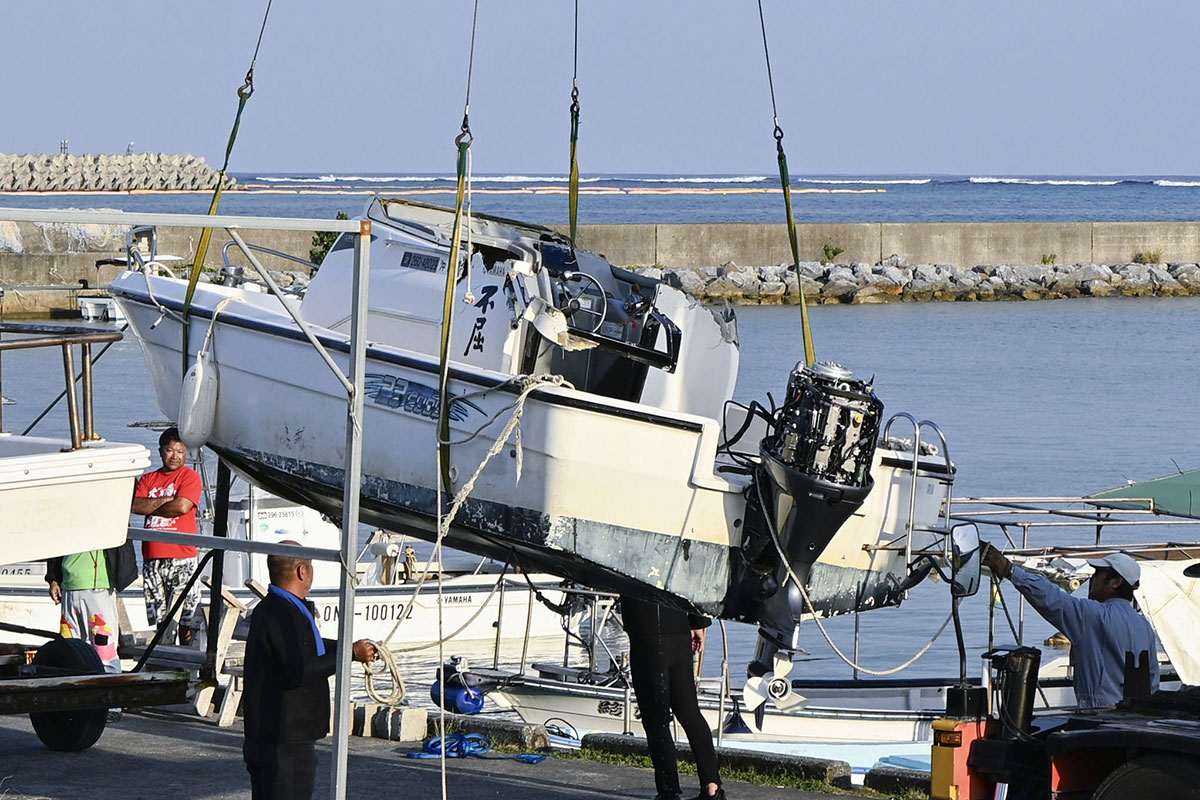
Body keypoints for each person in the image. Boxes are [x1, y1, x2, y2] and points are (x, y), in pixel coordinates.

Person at [243, 542, 378, 800]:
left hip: (276, 736)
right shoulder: (283, 613)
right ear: (302, 571)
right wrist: (350, 653)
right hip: (283, 741)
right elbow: (301, 670)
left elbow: (305, 647)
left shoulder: (278, 607)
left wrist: (351, 648)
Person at [982, 544, 1159, 708]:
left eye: (1098, 574)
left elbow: (1050, 598)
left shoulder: (1093, 615)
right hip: (1133, 719)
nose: (1092, 579)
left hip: (1099, 717)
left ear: (1115, 582)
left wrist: (1010, 570)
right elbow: (1152, 683)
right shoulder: (1145, 627)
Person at [621, 595, 725, 800]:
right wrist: (697, 621)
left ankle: (668, 791)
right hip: (678, 625)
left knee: (656, 719)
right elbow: (692, 583)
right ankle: (712, 786)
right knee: (689, 712)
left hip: (645, 631)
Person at [132, 427, 203, 645]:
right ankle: (163, 653)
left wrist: (153, 505)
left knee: (186, 616)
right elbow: (134, 506)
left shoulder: (190, 477)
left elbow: (181, 507)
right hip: (152, 557)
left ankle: (186, 657)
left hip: (182, 556)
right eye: (170, 450)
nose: (175, 456)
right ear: (161, 451)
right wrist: (168, 500)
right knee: (159, 617)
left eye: (180, 452)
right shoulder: (148, 479)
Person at [45, 540, 138, 675]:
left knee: (104, 651)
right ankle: (77, 683)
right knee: (71, 649)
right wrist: (53, 579)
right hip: (69, 587)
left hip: (99, 587)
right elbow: (56, 540)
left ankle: (110, 682)